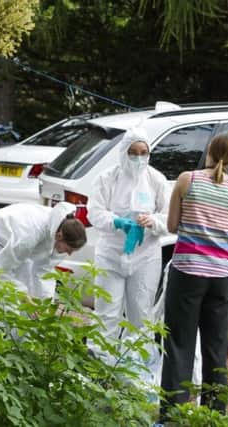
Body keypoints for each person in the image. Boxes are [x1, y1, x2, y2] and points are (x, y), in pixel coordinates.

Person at [160, 132, 228, 420]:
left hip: (187, 272)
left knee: (179, 344)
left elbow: (171, 225)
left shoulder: (187, 179)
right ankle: (214, 416)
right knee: (216, 346)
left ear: (209, 149)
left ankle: (171, 417)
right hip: (221, 276)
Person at [87, 127, 169, 372]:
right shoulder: (107, 178)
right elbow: (95, 212)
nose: (139, 158)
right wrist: (117, 222)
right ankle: (100, 367)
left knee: (141, 314)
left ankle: (136, 371)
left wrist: (153, 222)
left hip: (146, 256)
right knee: (107, 312)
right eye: (133, 153)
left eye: (144, 153)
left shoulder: (157, 179)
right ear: (123, 152)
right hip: (111, 253)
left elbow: (168, 217)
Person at [0, 201, 87, 299]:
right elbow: (0, 269)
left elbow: (44, 271)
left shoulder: (59, 230)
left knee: (25, 288)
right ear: (59, 236)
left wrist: (45, 304)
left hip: (16, 247)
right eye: (68, 249)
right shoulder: (29, 237)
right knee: (1, 295)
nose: (69, 254)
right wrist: (21, 294)